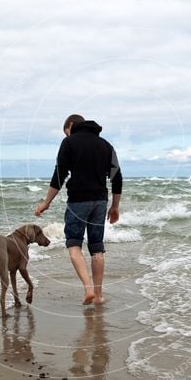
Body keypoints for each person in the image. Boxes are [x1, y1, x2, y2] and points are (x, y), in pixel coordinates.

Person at [34, 114, 122, 305]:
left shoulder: (69, 143)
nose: (66, 137)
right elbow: (117, 178)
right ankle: (98, 296)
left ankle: (88, 289)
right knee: (97, 247)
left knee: (74, 245)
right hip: (100, 201)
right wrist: (115, 206)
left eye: (66, 132)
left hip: (78, 201)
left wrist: (47, 202)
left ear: (71, 126)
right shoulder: (106, 145)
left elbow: (59, 175)